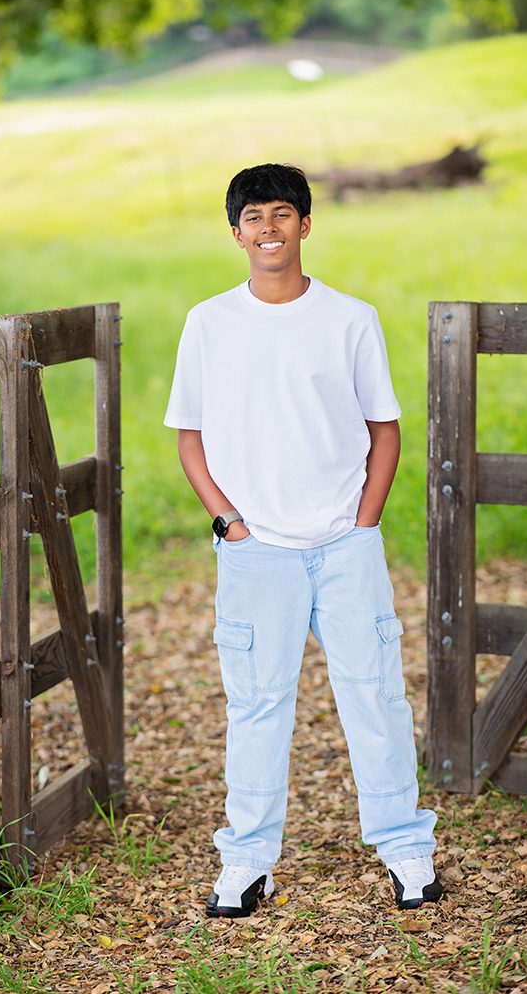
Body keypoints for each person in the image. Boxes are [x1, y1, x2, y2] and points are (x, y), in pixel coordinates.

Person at [164, 162, 442, 918]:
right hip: (256, 552)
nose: (268, 229)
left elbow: (383, 431)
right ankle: (248, 862)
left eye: (282, 214)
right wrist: (230, 521)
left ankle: (405, 850)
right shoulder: (209, 322)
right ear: (235, 233)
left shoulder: (348, 317)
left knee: (374, 693)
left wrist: (364, 520)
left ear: (306, 225)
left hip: (343, 545)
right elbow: (188, 437)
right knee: (256, 705)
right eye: (253, 218)